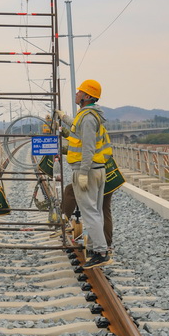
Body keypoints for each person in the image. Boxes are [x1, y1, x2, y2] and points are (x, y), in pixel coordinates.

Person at [65, 79, 113, 268]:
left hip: (88, 170)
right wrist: (63, 118)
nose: (76, 93)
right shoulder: (90, 116)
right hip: (97, 169)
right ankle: (94, 249)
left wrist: (83, 172)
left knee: (90, 212)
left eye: (80, 92)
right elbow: (78, 130)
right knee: (95, 211)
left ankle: (101, 252)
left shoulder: (88, 118)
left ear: (87, 96)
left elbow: (88, 148)